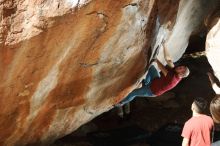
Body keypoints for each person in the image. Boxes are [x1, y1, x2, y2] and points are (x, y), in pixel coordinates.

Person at [118, 43, 190, 106]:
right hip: (156, 80)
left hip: (152, 90)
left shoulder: (173, 79)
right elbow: (168, 59)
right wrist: (164, 45)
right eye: (181, 67)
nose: (179, 67)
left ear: (181, 74)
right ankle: (145, 82)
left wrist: (156, 60)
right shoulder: (176, 71)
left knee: (134, 93)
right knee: (151, 67)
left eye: (181, 69)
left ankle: (121, 102)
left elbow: (162, 68)